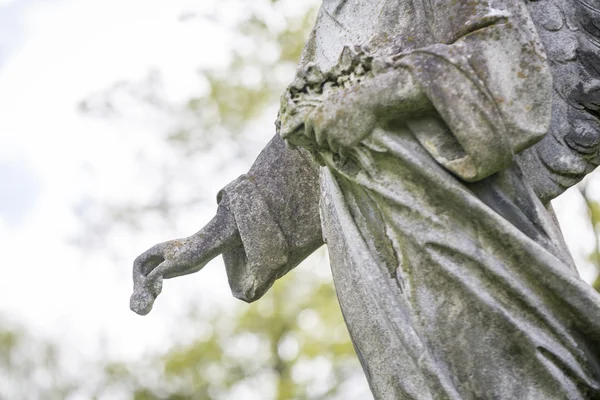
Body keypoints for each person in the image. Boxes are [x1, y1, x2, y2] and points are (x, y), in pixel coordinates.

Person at [131, 0, 600, 398]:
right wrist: (208, 237)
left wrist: (376, 98)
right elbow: (302, 151)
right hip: (371, 259)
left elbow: (509, 67)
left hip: (468, 240)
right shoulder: (340, 11)